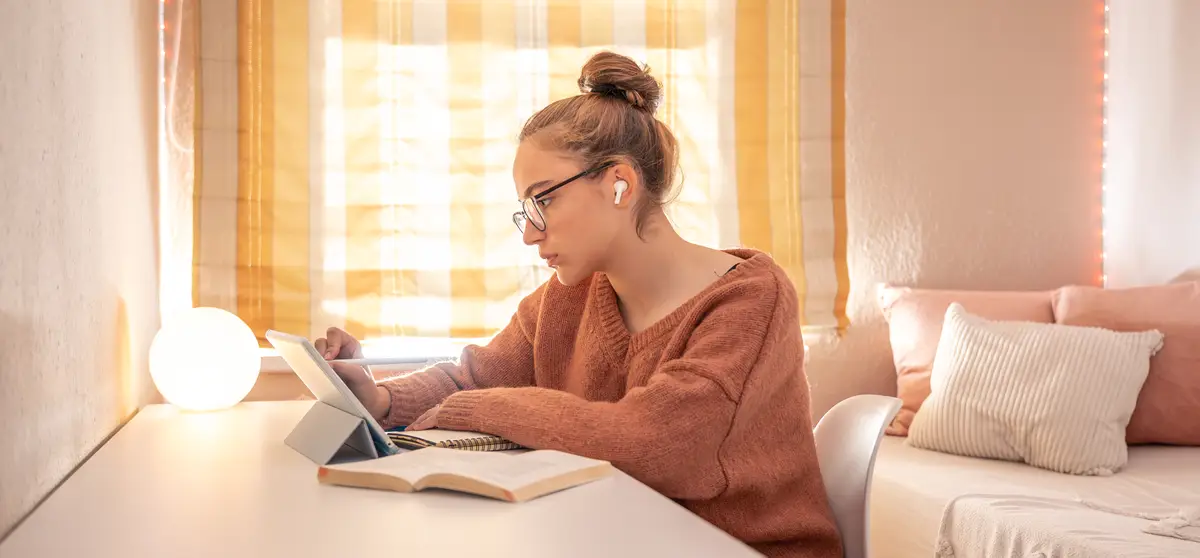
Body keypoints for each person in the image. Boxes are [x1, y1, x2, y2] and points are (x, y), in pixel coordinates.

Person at [317, 51, 842, 557]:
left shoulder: (749, 299)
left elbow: (657, 446)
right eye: (526, 209)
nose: (530, 233)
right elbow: (478, 375)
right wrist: (382, 400)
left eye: (544, 199)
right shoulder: (569, 295)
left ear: (619, 184)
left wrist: (475, 410)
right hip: (616, 536)